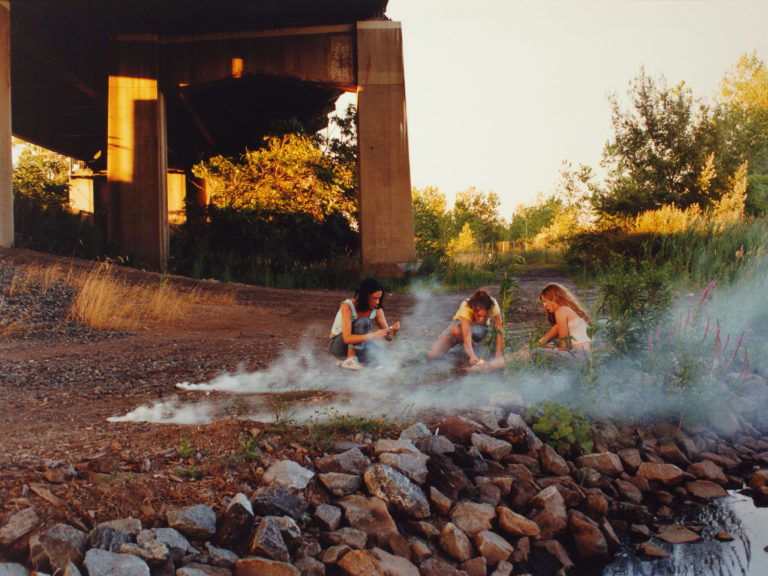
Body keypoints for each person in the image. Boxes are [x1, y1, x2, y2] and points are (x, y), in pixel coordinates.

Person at [329, 278, 400, 370]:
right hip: (338, 346)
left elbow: (388, 337)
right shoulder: (348, 306)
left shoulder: (377, 310)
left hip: (359, 345)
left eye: (379, 298)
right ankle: (350, 360)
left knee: (387, 357)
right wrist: (373, 335)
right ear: (365, 296)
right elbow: (347, 338)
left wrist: (393, 331)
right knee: (363, 321)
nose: (377, 302)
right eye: (375, 298)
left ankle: (346, 361)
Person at [427, 289, 504, 368]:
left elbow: (499, 329)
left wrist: (498, 355)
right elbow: (466, 334)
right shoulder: (466, 306)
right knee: (432, 354)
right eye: (479, 315)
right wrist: (472, 356)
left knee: (457, 331)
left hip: (481, 328)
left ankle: (474, 349)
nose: (481, 319)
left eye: (485, 316)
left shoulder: (493, 304)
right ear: (473, 309)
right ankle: (471, 348)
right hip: (461, 327)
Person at [531, 282, 591, 362]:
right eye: (542, 302)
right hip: (587, 358)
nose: (544, 305)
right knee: (540, 348)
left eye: (545, 301)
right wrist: (548, 347)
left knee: (536, 352)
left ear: (554, 298)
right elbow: (543, 340)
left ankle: (512, 361)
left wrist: (551, 349)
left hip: (579, 358)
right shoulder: (571, 313)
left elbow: (564, 347)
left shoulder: (561, 310)